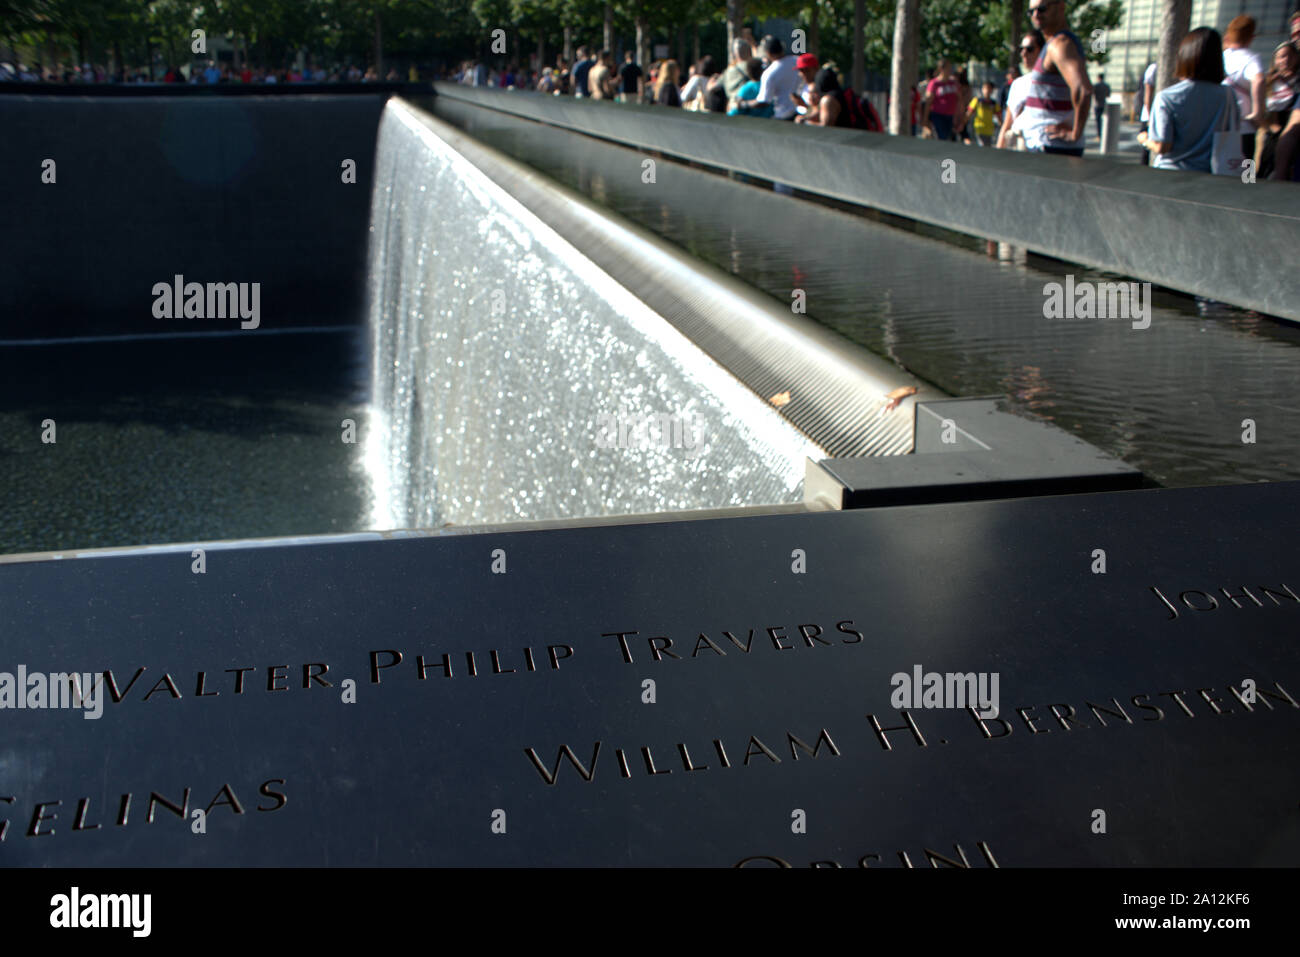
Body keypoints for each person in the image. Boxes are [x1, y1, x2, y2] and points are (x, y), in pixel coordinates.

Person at [1138, 27, 1236, 173]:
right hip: (1212, 175)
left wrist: (1144, 139)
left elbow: (1163, 147)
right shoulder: (1228, 95)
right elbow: (1232, 132)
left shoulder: (1167, 97)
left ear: (1184, 56)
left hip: (1173, 174)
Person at [1020, 0, 1092, 156]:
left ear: (1061, 7)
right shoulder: (1055, 43)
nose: (1035, 15)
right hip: (1048, 147)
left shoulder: (1060, 44)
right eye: (1031, 11)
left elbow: (1083, 90)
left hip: (1051, 148)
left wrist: (1074, 133)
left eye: (1041, 9)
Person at [1222, 15, 1265, 160]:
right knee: (1247, 175)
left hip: (1221, 126)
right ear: (1251, 36)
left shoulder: (1221, 57)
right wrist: (1257, 113)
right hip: (1244, 127)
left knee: (1220, 173)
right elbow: (1258, 80)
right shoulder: (1251, 58)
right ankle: (1248, 183)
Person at [1255, 43, 1300, 178]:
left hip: (1287, 135)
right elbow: (1259, 109)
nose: (1285, 60)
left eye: (1289, 56)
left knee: (1277, 174)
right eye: (1281, 57)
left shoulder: (1298, 84)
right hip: (1265, 133)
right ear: (1275, 60)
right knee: (1252, 172)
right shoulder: (1268, 82)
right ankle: (1247, 186)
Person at [997, 30, 1045, 149]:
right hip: (1021, 149)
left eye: (1029, 49)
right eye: (1021, 49)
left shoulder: (1053, 82)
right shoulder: (1018, 84)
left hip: (1045, 150)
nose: (1023, 53)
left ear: (1042, 50)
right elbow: (1007, 124)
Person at [752, 35, 800, 120]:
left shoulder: (769, 73)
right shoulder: (797, 61)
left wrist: (744, 104)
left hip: (783, 115)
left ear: (767, 53)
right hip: (802, 112)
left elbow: (764, 101)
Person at [921, 60, 959, 140]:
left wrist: (958, 116)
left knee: (948, 137)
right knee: (941, 137)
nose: (950, 70)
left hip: (950, 115)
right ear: (941, 69)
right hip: (938, 115)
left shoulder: (953, 83)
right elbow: (928, 102)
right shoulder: (934, 83)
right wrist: (925, 118)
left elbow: (958, 100)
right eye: (948, 68)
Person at [968, 81, 1002, 146]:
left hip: (989, 130)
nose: (987, 91)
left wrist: (1002, 127)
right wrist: (962, 123)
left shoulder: (993, 104)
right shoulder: (977, 101)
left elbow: (999, 117)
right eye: (985, 88)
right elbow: (969, 113)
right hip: (979, 128)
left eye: (989, 88)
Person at [722, 38, 752, 108]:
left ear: (735, 53)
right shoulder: (754, 67)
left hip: (732, 107)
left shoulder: (729, 70)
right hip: (750, 107)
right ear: (748, 51)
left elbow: (714, 86)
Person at [1138, 60, 1157, 164]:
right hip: (1149, 115)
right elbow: (1147, 96)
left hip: (1151, 114)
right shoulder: (1154, 68)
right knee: (1146, 150)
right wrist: (1150, 117)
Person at [1093, 71, 1111, 137]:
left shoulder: (1096, 86)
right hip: (1104, 104)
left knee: (1098, 120)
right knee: (1104, 120)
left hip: (1097, 104)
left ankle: (1099, 134)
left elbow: (1093, 93)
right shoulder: (1106, 86)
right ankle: (1104, 134)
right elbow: (1108, 95)